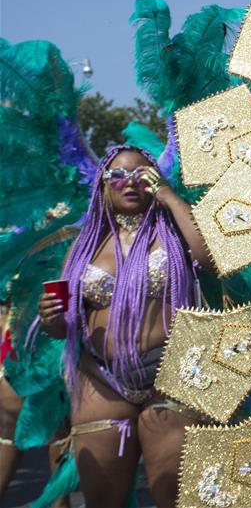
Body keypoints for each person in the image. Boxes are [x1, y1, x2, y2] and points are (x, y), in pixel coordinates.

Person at [36, 146, 213, 508]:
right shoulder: (84, 248)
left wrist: (169, 196)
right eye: (117, 176)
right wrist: (51, 318)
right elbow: (63, 327)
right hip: (102, 380)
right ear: (103, 187)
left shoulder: (174, 235)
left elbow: (209, 259)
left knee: (175, 498)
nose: (129, 182)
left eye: (141, 175)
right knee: (103, 501)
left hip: (169, 376)